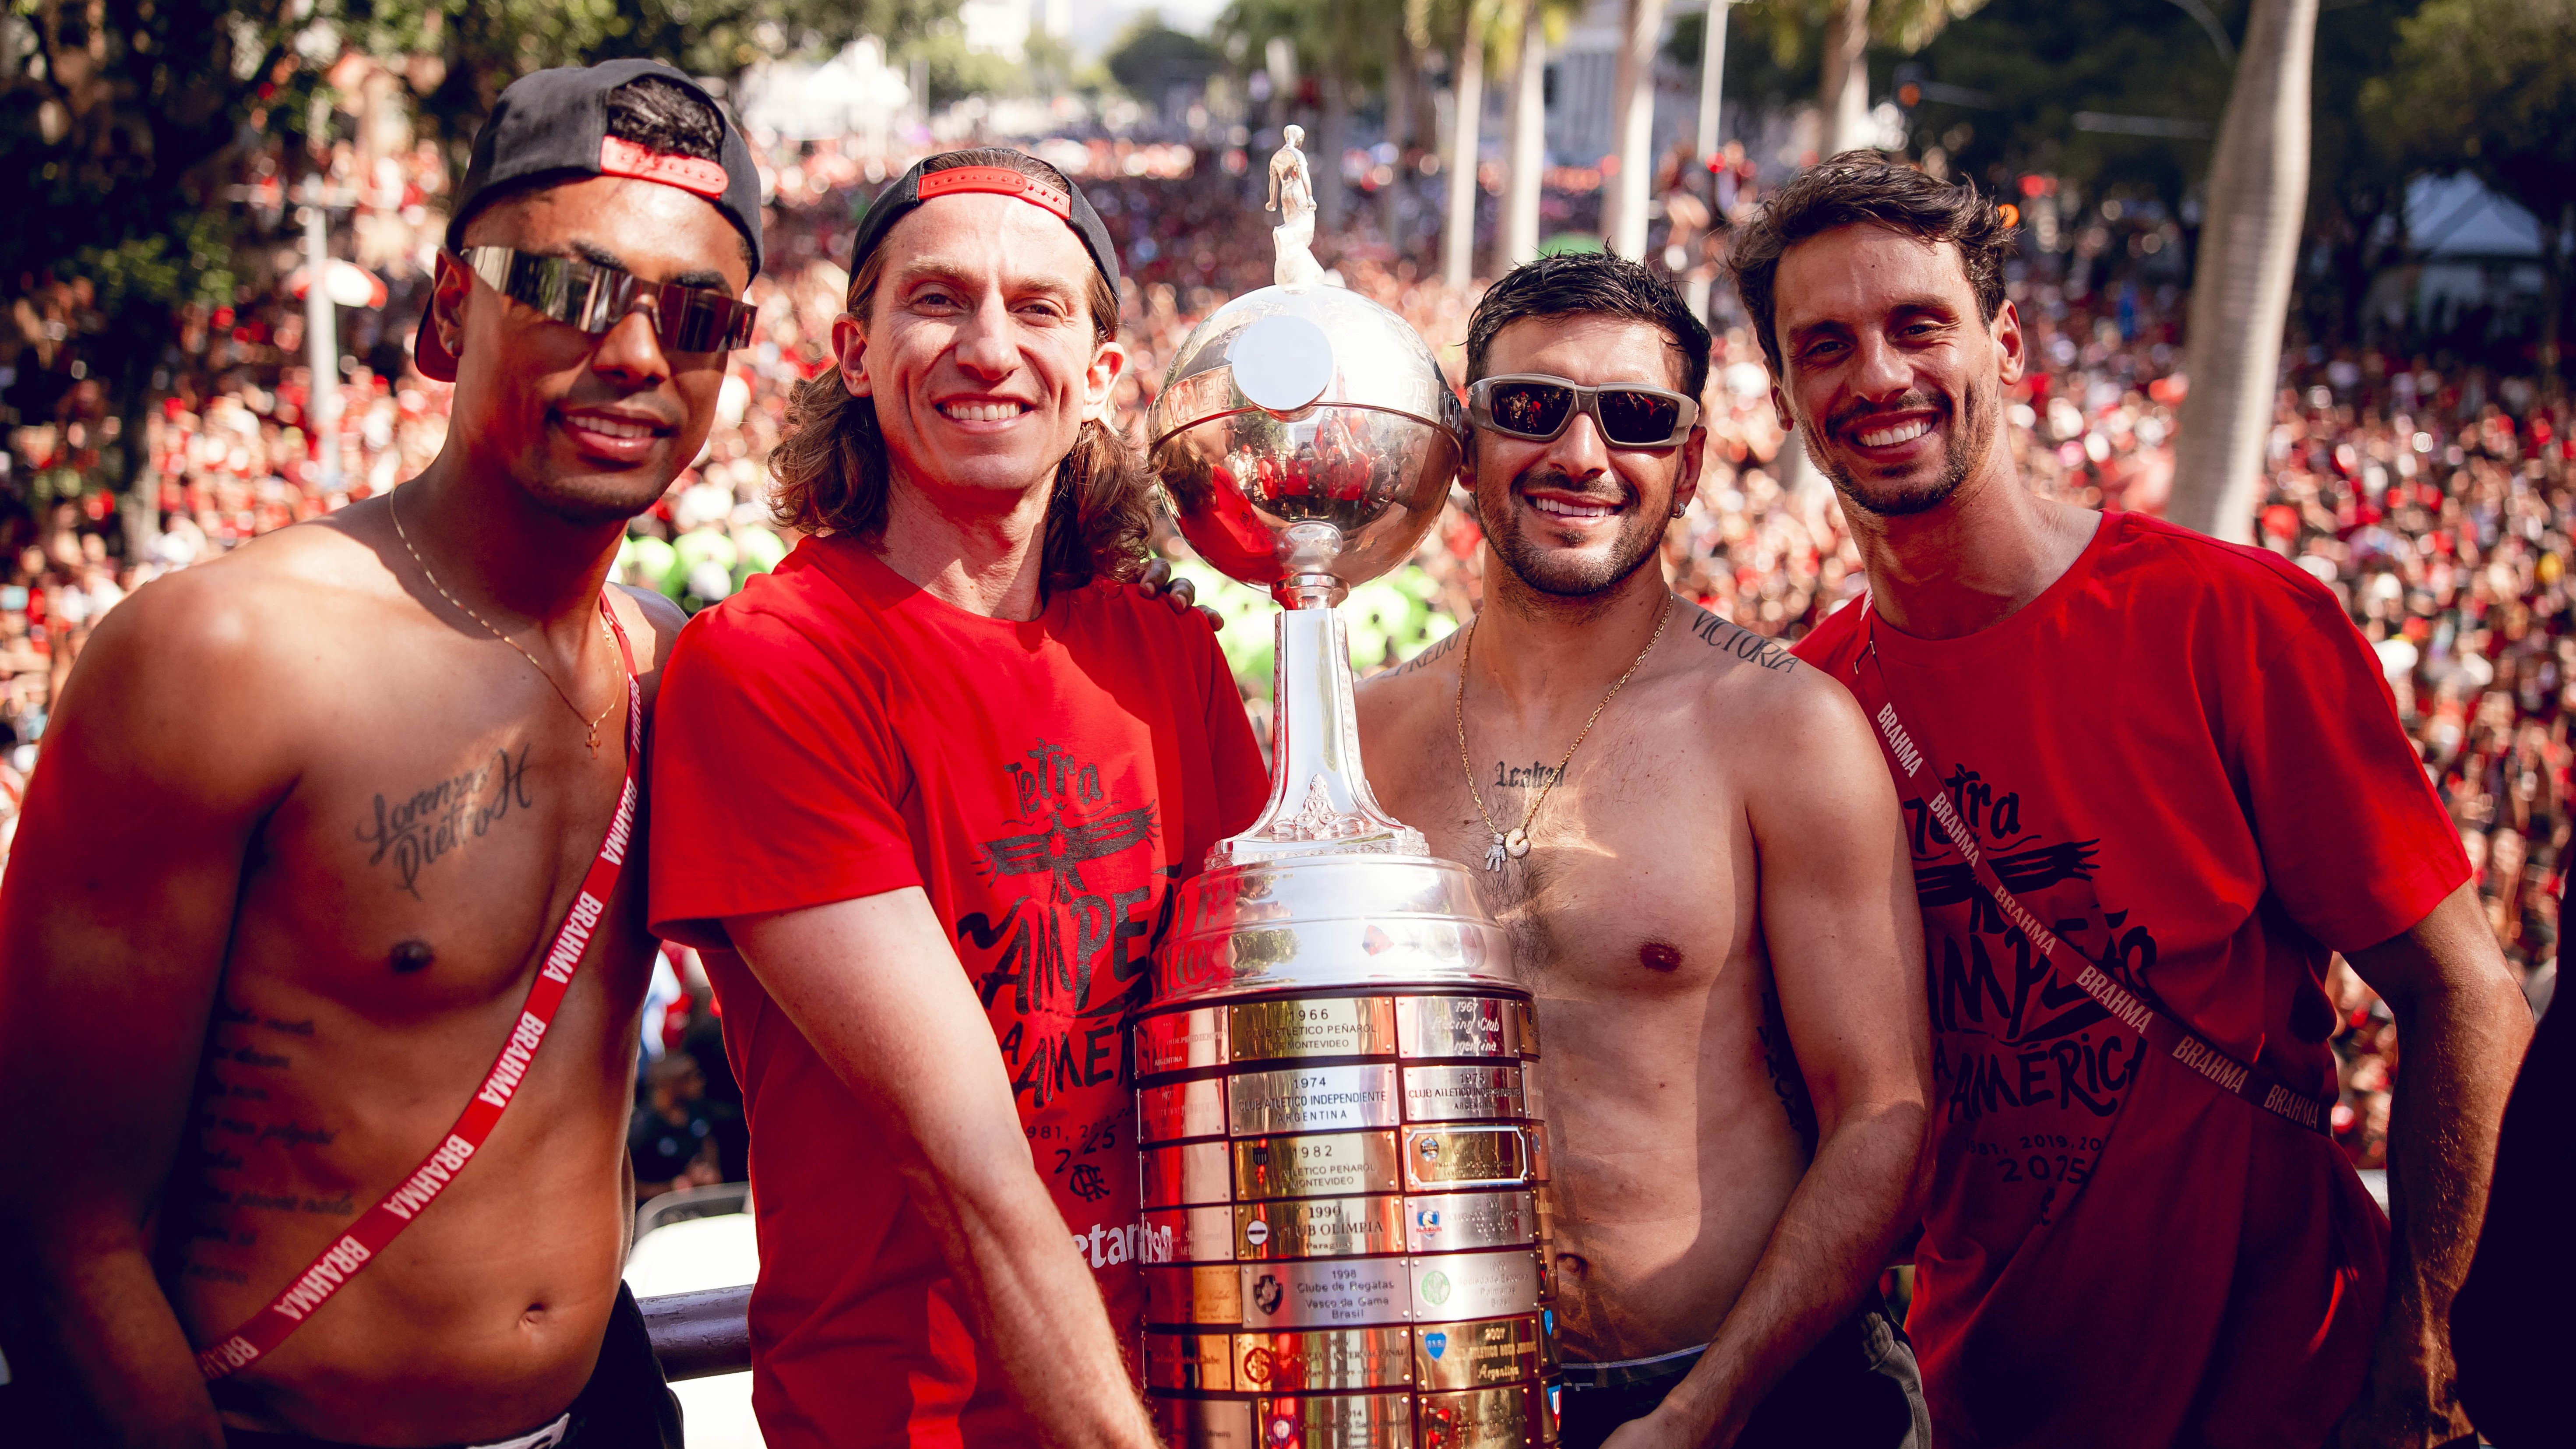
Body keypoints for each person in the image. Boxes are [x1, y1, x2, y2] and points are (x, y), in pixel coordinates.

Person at [0, 60, 762, 1448]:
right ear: (443, 316)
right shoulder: (223, 656)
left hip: (602, 1411)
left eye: (696, 317)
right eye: (573, 291)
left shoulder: (675, 665)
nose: (639, 357)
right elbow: (60, 1223)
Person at [1744, 154, 2535, 1449]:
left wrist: (2423, 1359)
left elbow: (2461, 991)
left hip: (2303, 1395)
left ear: (2003, 343)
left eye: (1917, 325)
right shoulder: (1803, 710)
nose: (1875, 375)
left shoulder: (2231, 622)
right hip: (1982, 1405)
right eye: (1822, 344)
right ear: (1782, 394)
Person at [645, 148, 1266, 1449]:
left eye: (1039, 308)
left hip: (1195, 1399)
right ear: (855, 351)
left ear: (1099, 374)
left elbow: (1246, 1060)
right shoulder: (770, 662)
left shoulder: (1174, 659)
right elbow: (962, 1164)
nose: (990, 346)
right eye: (939, 300)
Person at [1353, 251, 1933, 1449]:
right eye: (1528, 407)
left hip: (1763, 1394)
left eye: (1633, 418)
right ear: (1464, 445)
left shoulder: (1783, 728)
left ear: (1688, 463)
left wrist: (1699, 1412)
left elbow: (1884, 1109)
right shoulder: (1360, 734)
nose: (1579, 455)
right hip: (1446, 1403)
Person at [630, 1053, 722, 1203]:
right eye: (688, 1078)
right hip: (659, 1212)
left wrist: (711, 1170)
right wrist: (673, 1187)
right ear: (670, 1085)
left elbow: (708, 1142)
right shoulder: (643, 1129)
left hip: (700, 1201)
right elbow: (631, 1188)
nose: (700, 1083)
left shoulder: (697, 1110)